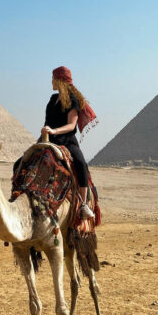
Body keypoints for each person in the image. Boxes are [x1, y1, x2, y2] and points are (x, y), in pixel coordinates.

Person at [41, 66, 97, 219]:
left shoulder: (72, 100)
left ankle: (84, 205)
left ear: (60, 80)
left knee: (80, 163)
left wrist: (54, 131)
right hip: (49, 139)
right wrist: (46, 131)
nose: (51, 82)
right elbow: (47, 121)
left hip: (66, 140)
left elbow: (71, 126)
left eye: (53, 78)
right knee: (23, 162)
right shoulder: (52, 100)